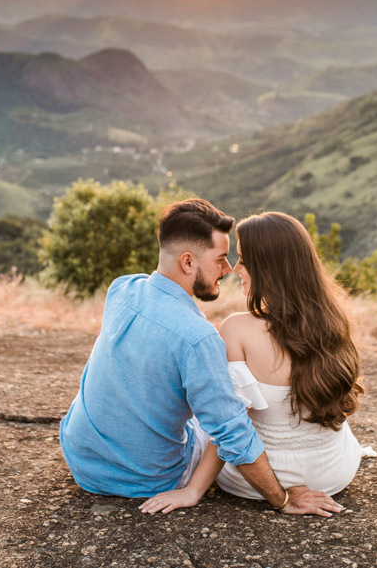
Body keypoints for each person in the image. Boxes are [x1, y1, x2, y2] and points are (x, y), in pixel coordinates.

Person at [59, 198, 344, 517]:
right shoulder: (199, 338)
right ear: (188, 262)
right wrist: (282, 500)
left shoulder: (123, 288)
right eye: (221, 259)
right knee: (224, 411)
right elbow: (232, 433)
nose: (228, 269)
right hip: (146, 479)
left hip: (81, 459)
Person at [139, 210, 365, 514]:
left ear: (268, 269)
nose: (234, 269)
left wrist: (193, 491)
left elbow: (228, 424)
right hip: (334, 473)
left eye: (243, 261)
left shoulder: (237, 329)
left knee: (204, 416)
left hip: (258, 482)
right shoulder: (334, 320)